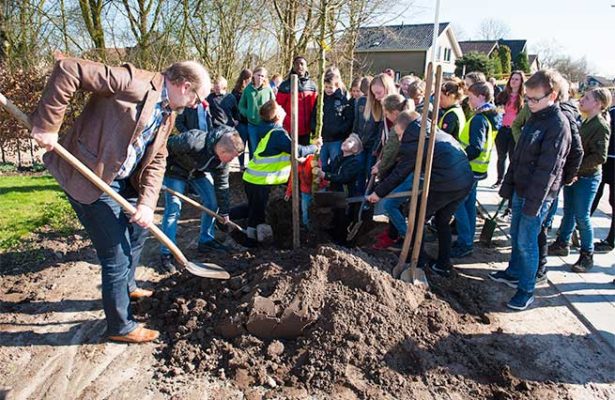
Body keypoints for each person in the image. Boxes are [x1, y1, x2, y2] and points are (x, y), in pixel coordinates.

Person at [30, 57, 211, 343]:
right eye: (197, 98)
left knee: (138, 230)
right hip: (90, 176)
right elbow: (69, 69)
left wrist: (148, 204)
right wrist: (47, 124)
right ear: (184, 85)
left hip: (123, 179)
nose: (195, 104)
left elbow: (158, 159)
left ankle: (127, 286)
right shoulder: (133, 82)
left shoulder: (167, 112)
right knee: (116, 254)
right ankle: (121, 326)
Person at [490, 69, 572, 311]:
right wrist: (508, 184)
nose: (530, 103)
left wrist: (533, 203)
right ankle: (514, 271)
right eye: (528, 99)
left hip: (538, 196)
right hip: (521, 189)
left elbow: (549, 169)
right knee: (516, 235)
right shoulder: (534, 118)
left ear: (553, 96)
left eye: (535, 99)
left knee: (527, 242)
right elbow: (518, 156)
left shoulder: (558, 125)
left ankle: (526, 290)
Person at [367, 110, 474, 274]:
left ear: (406, 129)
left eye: (400, 135)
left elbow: (401, 172)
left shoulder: (414, 141)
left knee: (416, 215)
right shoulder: (429, 130)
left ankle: (418, 259)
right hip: (464, 181)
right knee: (442, 220)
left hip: (446, 184)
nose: (400, 139)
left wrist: (378, 193)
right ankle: (443, 265)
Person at [160, 126, 244, 272]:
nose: (233, 160)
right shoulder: (193, 141)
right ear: (223, 151)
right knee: (173, 208)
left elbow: (222, 185)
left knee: (212, 201)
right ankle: (167, 252)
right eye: (233, 157)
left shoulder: (222, 162)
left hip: (196, 173)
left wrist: (224, 212)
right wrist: (156, 173)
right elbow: (163, 147)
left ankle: (206, 240)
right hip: (175, 172)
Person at [241, 100, 321, 246]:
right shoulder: (277, 134)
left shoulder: (267, 128)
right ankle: (250, 243)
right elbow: (296, 150)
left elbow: (283, 152)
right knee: (257, 215)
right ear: (277, 115)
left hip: (253, 179)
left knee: (253, 210)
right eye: (280, 107)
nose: (283, 108)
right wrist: (314, 147)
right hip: (259, 181)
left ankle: (225, 216)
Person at [548, 88, 612, 272]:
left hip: (587, 177)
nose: (581, 100)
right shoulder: (584, 121)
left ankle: (587, 255)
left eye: (587, 98)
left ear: (598, 104)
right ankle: (562, 243)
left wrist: (576, 169)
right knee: (568, 211)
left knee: (582, 216)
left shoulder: (600, 125)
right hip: (574, 175)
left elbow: (600, 156)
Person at [536, 79, 583, 282]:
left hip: (551, 181)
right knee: (538, 226)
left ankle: (540, 269)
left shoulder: (563, 116)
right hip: (548, 179)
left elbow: (577, 151)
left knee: (542, 226)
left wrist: (565, 177)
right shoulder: (546, 115)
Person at [452, 81, 501, 258]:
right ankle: (467, 240)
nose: (469, 101)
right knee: (468, 205)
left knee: (457, 205)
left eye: (471, 97)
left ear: (481, 97)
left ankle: (465, 243)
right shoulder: (488, 116)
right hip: (477, 170)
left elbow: (475, 147)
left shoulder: (480, 119)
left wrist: (459, 159)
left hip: (469, 169)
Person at [316, 134, 363, 244]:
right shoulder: (338, 158)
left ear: (355, 149)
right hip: (334, 192)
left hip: (345, 195)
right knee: (333, 217)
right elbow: (330, 168)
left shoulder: (354, 163)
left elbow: (344, 177)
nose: (345, 142)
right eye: (346, 140)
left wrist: (326, 175)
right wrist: (319, 167)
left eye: (350, 141)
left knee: (342, 219)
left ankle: (341, 242)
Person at [357, 73, 398, 194]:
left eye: (379, 93)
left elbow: (394, 142)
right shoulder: (381, 109)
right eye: (374, 94)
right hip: (384, 155)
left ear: (388, 89)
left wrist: (381, 163)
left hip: (396, 159)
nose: (377, 97)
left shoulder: (396, 111)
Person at [311, 73, 354, 169]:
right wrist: (314, 130)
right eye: (326, 87)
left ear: (337, 86)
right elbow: (314, 114)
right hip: (322, 139)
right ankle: (321, 182)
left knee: (335, 163)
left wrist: (341, 131)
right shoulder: (320, 98)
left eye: (330, 87)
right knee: (321, 164)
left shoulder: (342, 99)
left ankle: (332, 182)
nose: (328, 90)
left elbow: (348, 119)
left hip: (336, 139)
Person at [493, 71, 525, 188]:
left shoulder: (524, 98)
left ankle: (510, 181)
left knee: (513, 157)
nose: (514, 81)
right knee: (501, 156)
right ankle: (499, 179)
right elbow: (495, 109)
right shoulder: (502, 95)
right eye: (512, 78)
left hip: (515, 130)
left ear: (521, 82)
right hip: (502, 129)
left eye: (517, 79)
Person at [276, 56, 318, 145]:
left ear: (306, 67)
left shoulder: (312, 86)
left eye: (302, 64)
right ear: (293, 66)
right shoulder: (285, 86)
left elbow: (315, 108)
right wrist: (287, 121)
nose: (299, 66)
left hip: (307, 130)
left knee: (305, 156)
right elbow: (278, 107)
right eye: (296, 64)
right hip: (289, 129)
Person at [590, 98, 614, 252]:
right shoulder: (610, 112)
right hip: (606, 161)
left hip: (610, 160)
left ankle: (611, 240)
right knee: (594, 195)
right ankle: (577, 228)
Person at [238, 66, 276, 157]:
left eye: (262, 76)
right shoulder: (248, 89)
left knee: (265, 148)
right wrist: (248, 113)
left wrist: (271, 117)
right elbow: (241, 106)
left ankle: (264, 169)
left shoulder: (268, 89)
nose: (260, 78)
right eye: (258, 75)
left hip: (265, 124)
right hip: (252, 125)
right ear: (253, 75)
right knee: (254, 149)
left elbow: (274, 105)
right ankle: (253, 169)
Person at [232, 69, 252, 169]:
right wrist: (235, 119)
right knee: (241, 145)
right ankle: (241, 165)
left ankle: (252, 164)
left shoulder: (251, 90)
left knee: (252, 145)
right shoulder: (236, 91)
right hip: (241, 122)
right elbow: (233, 106)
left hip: (251, 121)